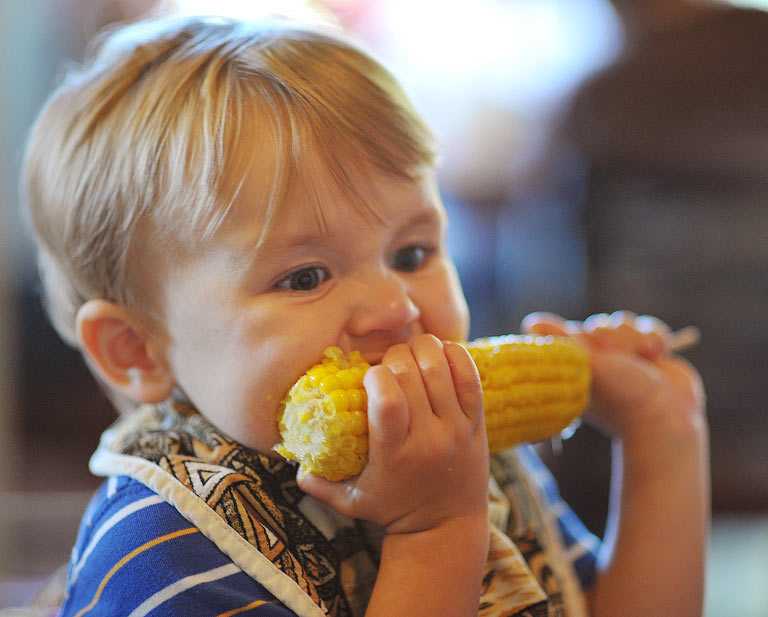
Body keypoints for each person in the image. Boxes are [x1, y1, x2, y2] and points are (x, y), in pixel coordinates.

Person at [18, 13, 708, 617]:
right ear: (137, 347)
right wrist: (435, 532)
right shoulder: (161, 551)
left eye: (412, 252)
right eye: (306, 276)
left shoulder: (471, 457)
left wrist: (662, 440)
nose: (395, 306)